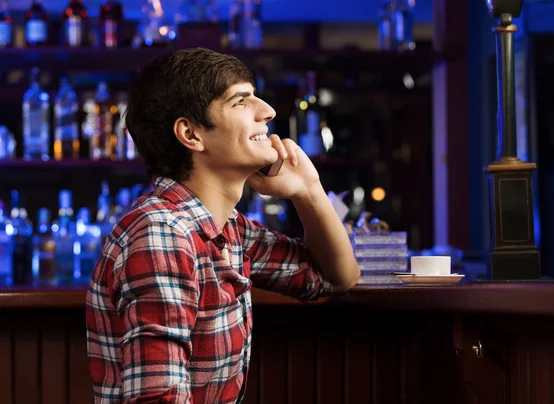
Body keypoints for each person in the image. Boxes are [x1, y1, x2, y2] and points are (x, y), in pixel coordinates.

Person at [85, 47, 360, 404]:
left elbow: (336, 276)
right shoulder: (163, 234)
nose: (268, 111)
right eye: (241, 101)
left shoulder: (227, 229)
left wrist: (308, 190)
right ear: (191, 134)